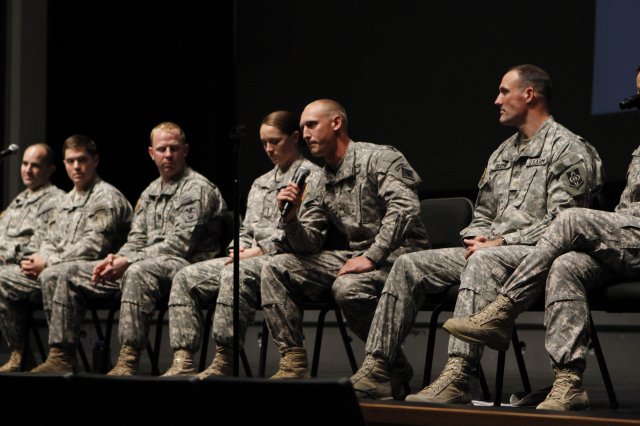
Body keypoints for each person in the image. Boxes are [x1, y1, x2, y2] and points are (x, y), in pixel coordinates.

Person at [349, 64, 605, 402]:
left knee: (483, 260)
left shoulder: (567, 148)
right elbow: (483, 213)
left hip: (542, 256)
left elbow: (564, 222)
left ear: (529, 94)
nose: (496, 100)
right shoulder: (502, 154)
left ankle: (458, 375)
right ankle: (379, 367)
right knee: (409, 265)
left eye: (503, 91)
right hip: (492, 251)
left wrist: (499, 242)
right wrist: (479, 237)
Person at [443, 65, 640, 411]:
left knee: (569, 218)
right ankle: (568, 381)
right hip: (627, 239)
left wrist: (503, 242)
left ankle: (503, 310)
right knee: (566, 265)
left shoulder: (567, 146)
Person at [30, 122, 227, 375]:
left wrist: (129, 261)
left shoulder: (197, 188)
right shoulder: (150, 192)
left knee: (137, 271)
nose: (168, 155)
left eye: (174, 148)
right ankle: (61, 355)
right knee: (65, 274)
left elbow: (179, 245)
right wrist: (117, 258)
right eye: (162, 149)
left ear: (185, 150)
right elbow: (135, 239)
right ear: (151, 153)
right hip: (146, 262)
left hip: (185, 265)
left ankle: (129, 357)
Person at [261, 99, 429, 383]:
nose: (305, 134)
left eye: (312, 125)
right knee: (276, 267)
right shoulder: (317, 180)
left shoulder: (378, 158)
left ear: (336, 123)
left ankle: (385, 365)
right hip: (360, 255)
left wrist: (372, 256)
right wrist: (291, 221)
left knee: (348, 286)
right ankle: (293, 361)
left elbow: (406, 209)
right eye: (302, 128)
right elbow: (309, 244)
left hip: (402, 254)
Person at [161, 111, 320, 377]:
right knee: (186, 276)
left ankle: (226, 356)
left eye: (275, 141)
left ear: (294, 138)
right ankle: (183, 359)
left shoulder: (312, 177)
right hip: (249, 255)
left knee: (234, 273)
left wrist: (259, 251)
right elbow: (246, 228)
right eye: (264, 143)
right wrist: (238, 247)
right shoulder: (260, 184)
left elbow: (307, 233)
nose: (269, 149)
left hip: (285, 260)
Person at [0, 136, 132, 373]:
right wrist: (38, 259)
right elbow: (49, 239)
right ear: (64, 164)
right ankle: (20, 353)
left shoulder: (106, 197)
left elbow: (93, 246)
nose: (76, 167)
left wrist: (49, 261)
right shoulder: (66, 201)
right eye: (71, 161)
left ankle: (62, 355)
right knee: (3, 277)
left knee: (55, 273)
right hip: (58, 269)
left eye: (82, 160)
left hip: (100, 272)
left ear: (95, 161)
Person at [0, 144, 65, 371]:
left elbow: (40, 246)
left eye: (35, 165)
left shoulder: (56, 200)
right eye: (25, 164)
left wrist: (5, 255)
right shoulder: (18, 201)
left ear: (50, 170)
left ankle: (19, 352)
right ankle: (21, 354)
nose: (28, 170)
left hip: (33, 272)